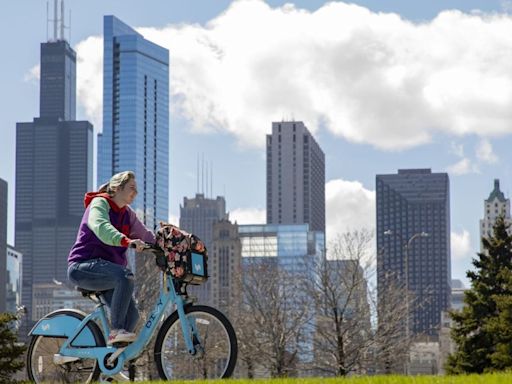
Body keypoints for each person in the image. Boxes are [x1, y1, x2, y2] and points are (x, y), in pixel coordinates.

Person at [68, 171, 155, 344]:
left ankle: (114, 358)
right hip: (83, 266)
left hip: (107, 272)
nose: (135, 193)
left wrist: (168, 245)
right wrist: (125, 240)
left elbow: (145, 235)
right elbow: (101, 226)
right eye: (131, 188)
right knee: (126, 276)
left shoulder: (127, 214)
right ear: (116, 188)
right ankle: (116, 331)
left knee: (133, 315)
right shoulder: (99, 203)